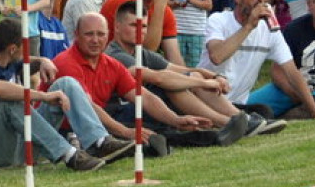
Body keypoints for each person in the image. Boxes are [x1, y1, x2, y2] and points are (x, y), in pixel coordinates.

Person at [0, 18, 132, 171]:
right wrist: (43, 96)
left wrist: (43, 61)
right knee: (10, 101)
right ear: (13, 49)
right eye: (25, 47)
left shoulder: (9, 61)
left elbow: (27, 61)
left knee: (66, 83)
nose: (27, 52)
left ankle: (100, 142)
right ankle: (71, 156)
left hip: (21, 146)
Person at [54, 14, 222, 151]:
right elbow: (89, 106)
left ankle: (221, 124)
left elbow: (146, 96)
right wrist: (125, 131)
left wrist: (176, 119)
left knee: (154, 116)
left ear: (109, 34)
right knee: (146, 124)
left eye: (100, 34)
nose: (95, 40)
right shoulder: (68, 63)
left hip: (103, 119)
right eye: (89, 34)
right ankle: (218, 128)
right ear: (76, 35)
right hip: (70, 128)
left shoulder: (113, 62)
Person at [106, 2, 257, 139]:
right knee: (171, 85)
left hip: (148, 107)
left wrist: (213, 76)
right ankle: (227, 123)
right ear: (117, 27)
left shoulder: (141, 52)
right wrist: (202, 83)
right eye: (134, 25)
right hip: (121, 114)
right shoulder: (115, 55)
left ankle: (241, 118)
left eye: (144, 26)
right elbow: (158, 78)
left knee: (188, 76)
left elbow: (182, 70)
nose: (141, 31)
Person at [198, 0, 315, 123]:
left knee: (264, 111)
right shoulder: (218, 20)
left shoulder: (270, 29)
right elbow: (217, 56)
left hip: (237, 104)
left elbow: (292, 72)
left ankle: (241, 122)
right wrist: (248, 26)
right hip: (207, 100)